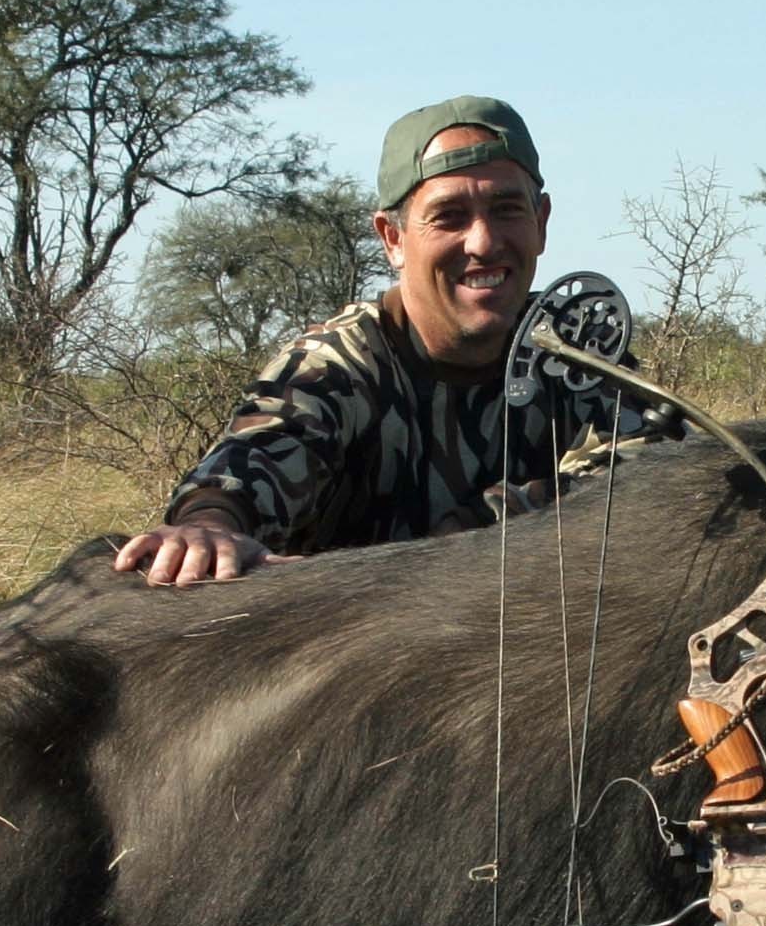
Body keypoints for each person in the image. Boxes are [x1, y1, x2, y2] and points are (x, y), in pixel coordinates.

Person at [114, 95, 625, 584]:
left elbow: (652, 467)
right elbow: (258, 456)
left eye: (507, 209)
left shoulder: (576, 348)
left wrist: (500, 516)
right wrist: (210, 524)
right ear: (393, 239)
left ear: (541, 222)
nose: (484, 242)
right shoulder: (338, 366)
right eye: (448, 216)